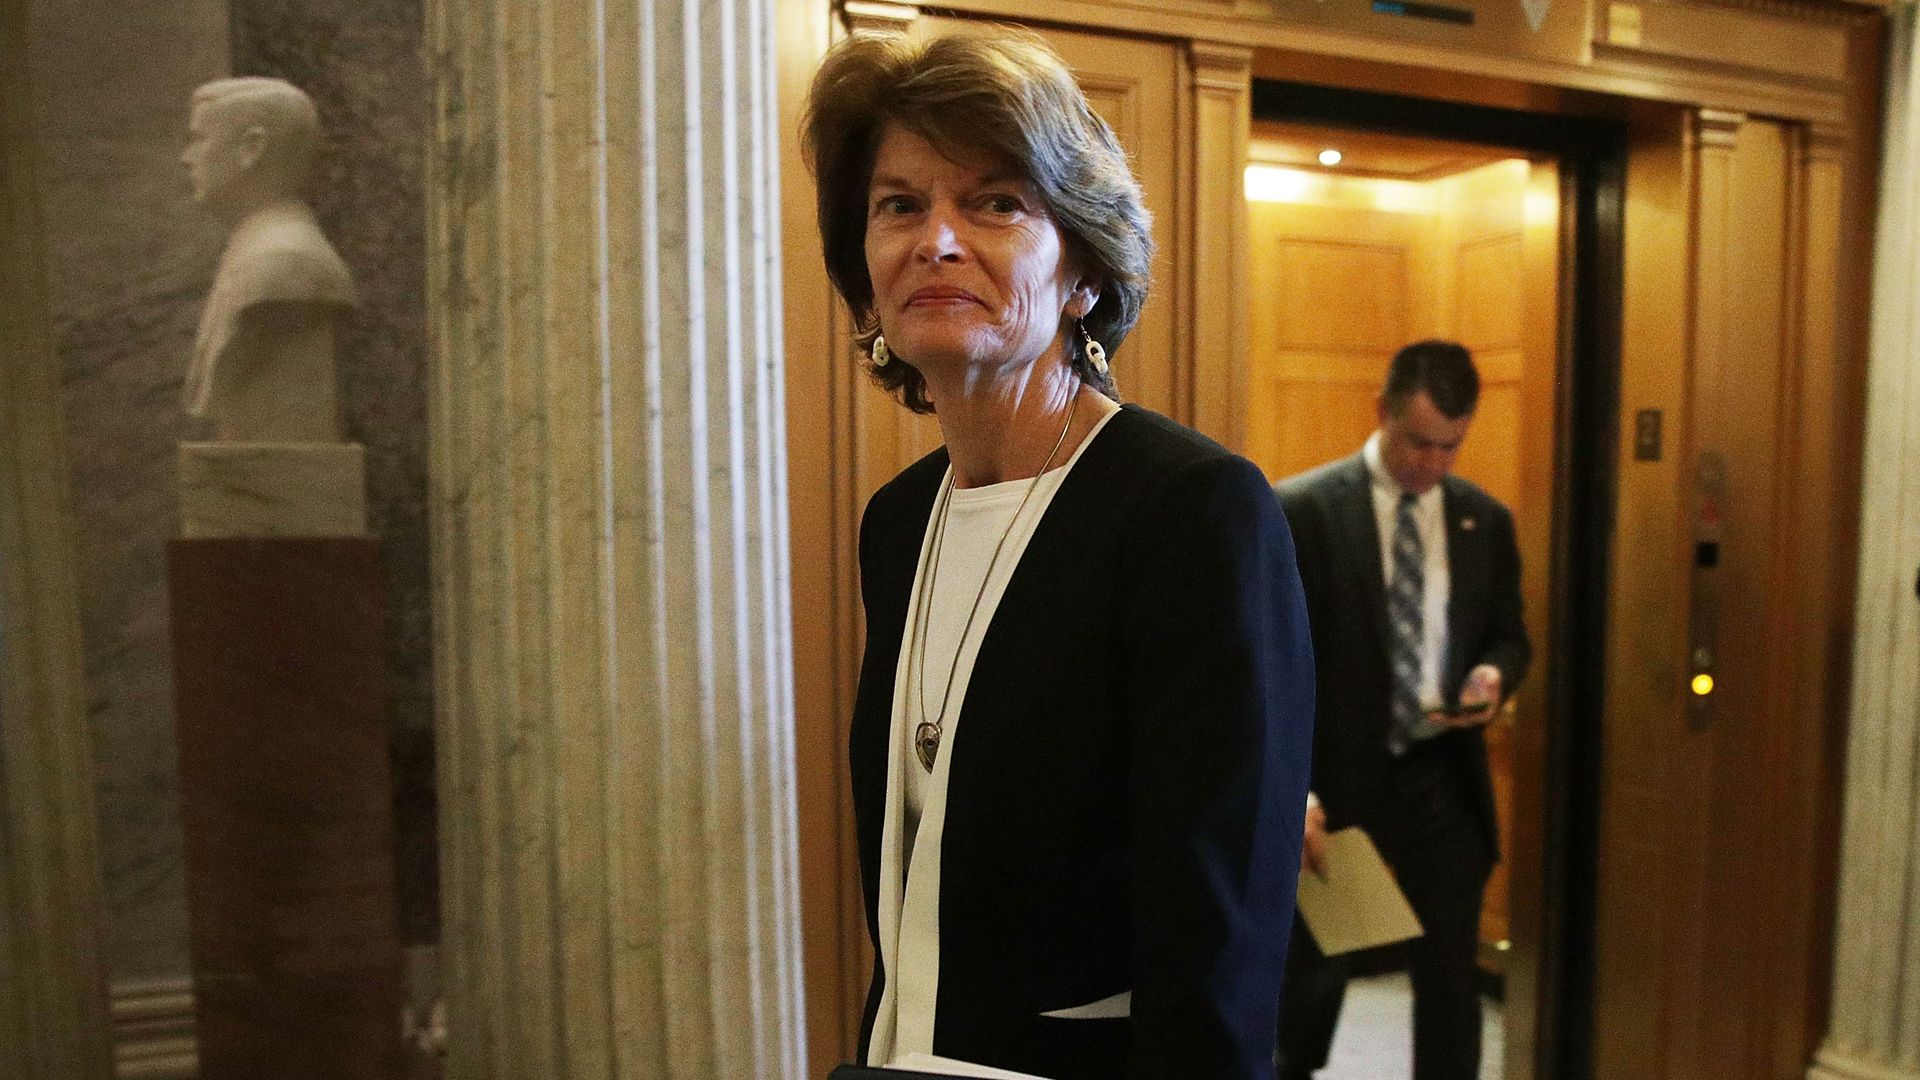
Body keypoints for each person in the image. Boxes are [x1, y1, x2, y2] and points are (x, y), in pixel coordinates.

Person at [803, 29, 1316, 1080]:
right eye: (900, 204)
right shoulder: (900, 521)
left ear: (1082, 267)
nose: (936, 240)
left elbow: (1219, 943)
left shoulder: (1190, 512)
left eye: (995, 203)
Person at [1272, 340, 1530, 1080]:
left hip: (1444, 782)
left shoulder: (1484, 519)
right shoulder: (1305, 509)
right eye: (1419, 441)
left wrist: (1492, 676)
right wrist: (1298, 792)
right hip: (1339, 787)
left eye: (1452, 447)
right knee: (1312, 985)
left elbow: (1510, 635)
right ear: (1383, 411)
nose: (1433, 464)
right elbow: (1275, 669)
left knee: (1451, 985)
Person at [181, 77, 355, 442]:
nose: (187, 158)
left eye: (199, 139)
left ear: (252, 148)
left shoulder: (285, 260)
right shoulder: (256, 251)